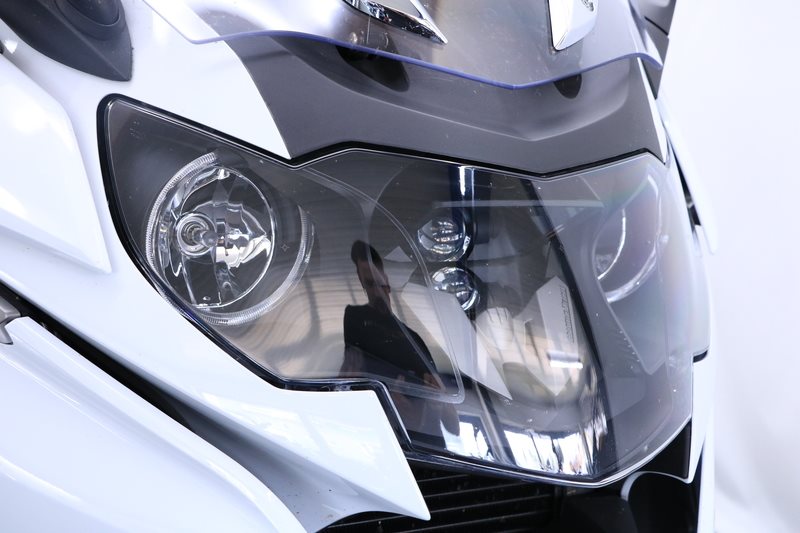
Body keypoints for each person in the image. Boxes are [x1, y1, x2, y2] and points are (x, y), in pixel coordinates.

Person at [342, 240, 459, 447]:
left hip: (430, 449)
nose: (375, 291)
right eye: (368, 284)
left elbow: (454, 427)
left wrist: (436, 405)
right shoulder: (355, 319)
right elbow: (347, 383)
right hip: (378, 443)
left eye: (379, 283)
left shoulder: (414, 339)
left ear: (388, 283)